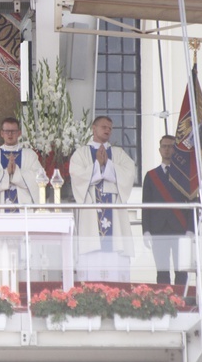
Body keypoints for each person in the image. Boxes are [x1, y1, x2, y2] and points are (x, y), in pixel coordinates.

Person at [70, 115, 136, 282]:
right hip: (91, 213)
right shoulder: (81, 153)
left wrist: (108, 165)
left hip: (113, 211)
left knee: (115, 256)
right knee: (91, 255)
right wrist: (98, 166)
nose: (107, 130)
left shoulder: (118, 153)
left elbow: (129, 173)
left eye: (110, 128)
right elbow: (76, 176)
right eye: (104, 127)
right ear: (94, 128)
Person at [142, 135, 194, 285]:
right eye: (164, 146)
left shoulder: (185, 175)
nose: (167, 149)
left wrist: (191, 229)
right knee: (162, 272)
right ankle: (163, 303)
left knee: (181, 271)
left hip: (181, 228)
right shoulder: (151, 176)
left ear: (175, 150)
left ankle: (181, 303)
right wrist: (146, 230)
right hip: (158, 229)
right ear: (159, 150)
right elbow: (146, 205)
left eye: (170, 146)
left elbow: (192, 202)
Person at [0, 118, 41, 212]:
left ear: (19, 133)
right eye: (7, 131)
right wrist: (6, 173)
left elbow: (39, 178)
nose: (10, 134)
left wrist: (16, 173)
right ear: (2, 133)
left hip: (24, 210)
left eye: (13, 131)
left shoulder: (30, 155)